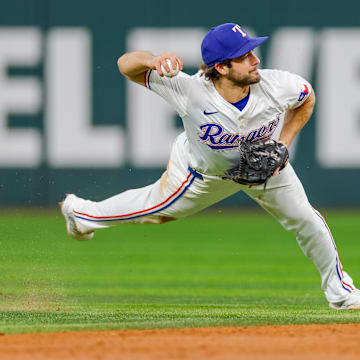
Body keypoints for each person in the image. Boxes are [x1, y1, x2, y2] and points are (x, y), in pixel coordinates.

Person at [60, 23, 360, 310]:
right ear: (221, 67)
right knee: (154, 211)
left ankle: (343, 294)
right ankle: (81, 213)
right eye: (244, 56)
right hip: (202, 173)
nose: (255, 60)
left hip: (264, 165)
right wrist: (152, 60)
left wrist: (283, 144)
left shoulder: (278, 85)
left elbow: (306, 98)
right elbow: (126, 65)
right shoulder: (190, 91)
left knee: (306, 218)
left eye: (253, 51)